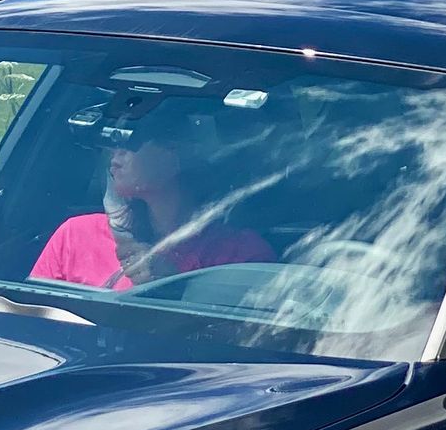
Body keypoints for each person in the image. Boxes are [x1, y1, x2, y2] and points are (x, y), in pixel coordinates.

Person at [33, 93, 270, 290]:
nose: (115, 154)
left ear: (175, 153)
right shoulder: (75, 236)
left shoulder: (240, 256)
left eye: (130, 139)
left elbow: (250, 338)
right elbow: (31, 318)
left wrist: (176, 286)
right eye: (112, 140)